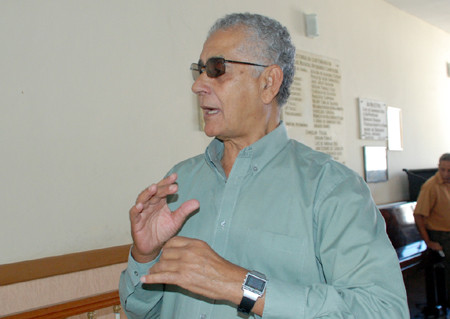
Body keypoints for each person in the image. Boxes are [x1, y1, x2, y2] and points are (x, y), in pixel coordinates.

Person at [119, 13, 409, 319]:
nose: (198, 86)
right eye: (199, 70)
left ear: (268, 83)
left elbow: (384, 310)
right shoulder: (179, 182)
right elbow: (140, 311)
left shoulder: (332, 188)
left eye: (217, 69)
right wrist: (145, 256)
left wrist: (242, 285)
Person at [414, 153, 450, 312]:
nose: (445, 174)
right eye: (442, 169)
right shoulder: (430, 186)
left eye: (449, 170)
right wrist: (428, 242)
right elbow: (418, 215)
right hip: (439, 234)